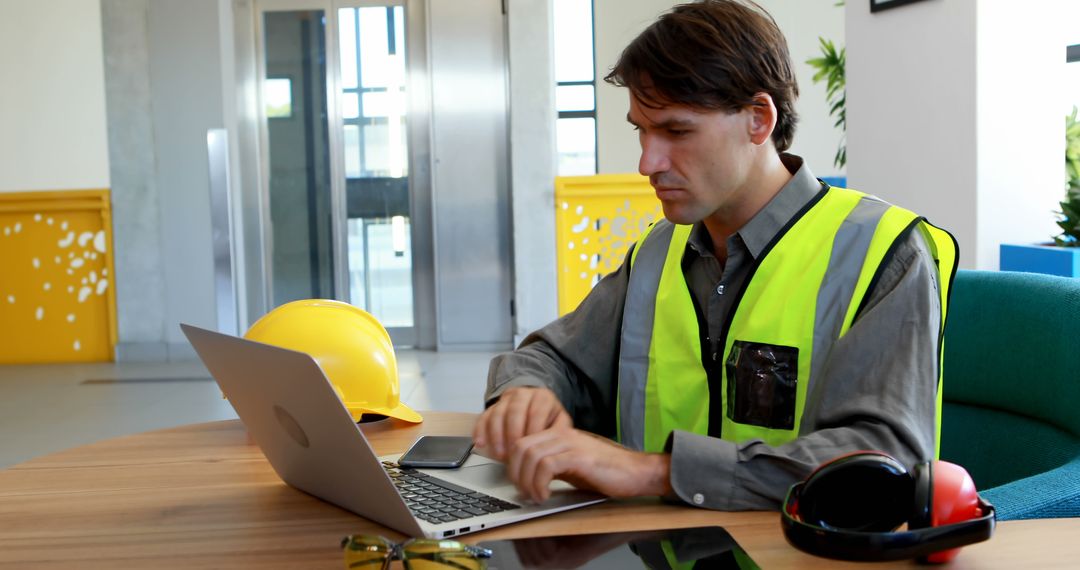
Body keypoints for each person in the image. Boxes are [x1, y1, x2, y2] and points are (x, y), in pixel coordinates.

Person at [473, 0, 957, 510]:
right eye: (641, 129)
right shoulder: (658, 251)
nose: (647, 162)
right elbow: (557, 358)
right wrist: (526, 393)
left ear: (759, 119)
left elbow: (880, 460)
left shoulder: (884, 252)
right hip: (655, 552)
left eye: (677, 131)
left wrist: (654, 472)